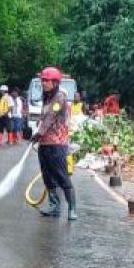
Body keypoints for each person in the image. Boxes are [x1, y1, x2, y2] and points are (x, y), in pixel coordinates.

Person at [34, 66, 76, 221]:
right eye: (43, 80)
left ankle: (72, 208)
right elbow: (44, 116)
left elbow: (51, 116)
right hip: (44, 145)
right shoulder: (46, 98)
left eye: (46, 81)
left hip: (57, 144)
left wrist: (39, 133)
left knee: (62, 176)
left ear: (55, 82)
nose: (44, 83)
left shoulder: (60, 97)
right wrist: (39, 133)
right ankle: (54, 207)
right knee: (48, 177)